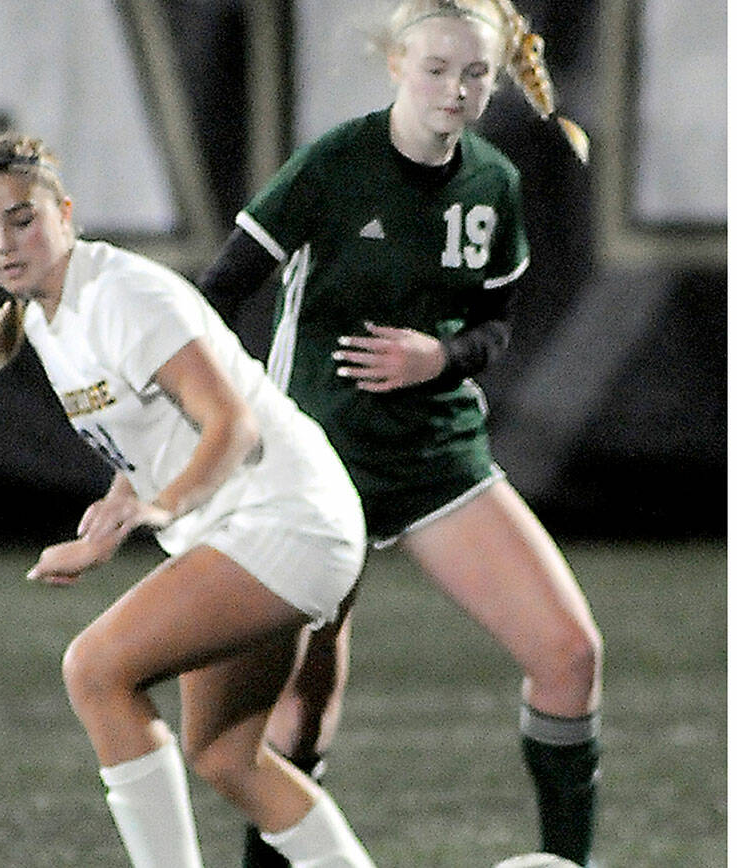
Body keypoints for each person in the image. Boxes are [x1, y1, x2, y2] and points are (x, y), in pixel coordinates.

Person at [194, 2, 603, 866]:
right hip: (317, 466)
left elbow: (494, 326)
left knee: (570, 655)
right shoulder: (333, 167)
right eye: (436, 69)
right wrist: (233, 420)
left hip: (438, 459)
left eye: (474, 73)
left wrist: (440, 357)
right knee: (299, 703)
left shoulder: (493, 181)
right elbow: (217, 291)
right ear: (394, 67)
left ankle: (573, 862)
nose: (455, 90)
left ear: (497, 77)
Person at [0, 133, 375, 868]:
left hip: (287, 519)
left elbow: (231, 422)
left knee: (95, 669)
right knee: (224, 755)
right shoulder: (48, 314)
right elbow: (156, 423)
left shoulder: (119, 292)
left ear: (66, 213)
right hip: (261, 525)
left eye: (22, 218)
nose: (4, 242)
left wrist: (167, 504)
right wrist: (122, 506)